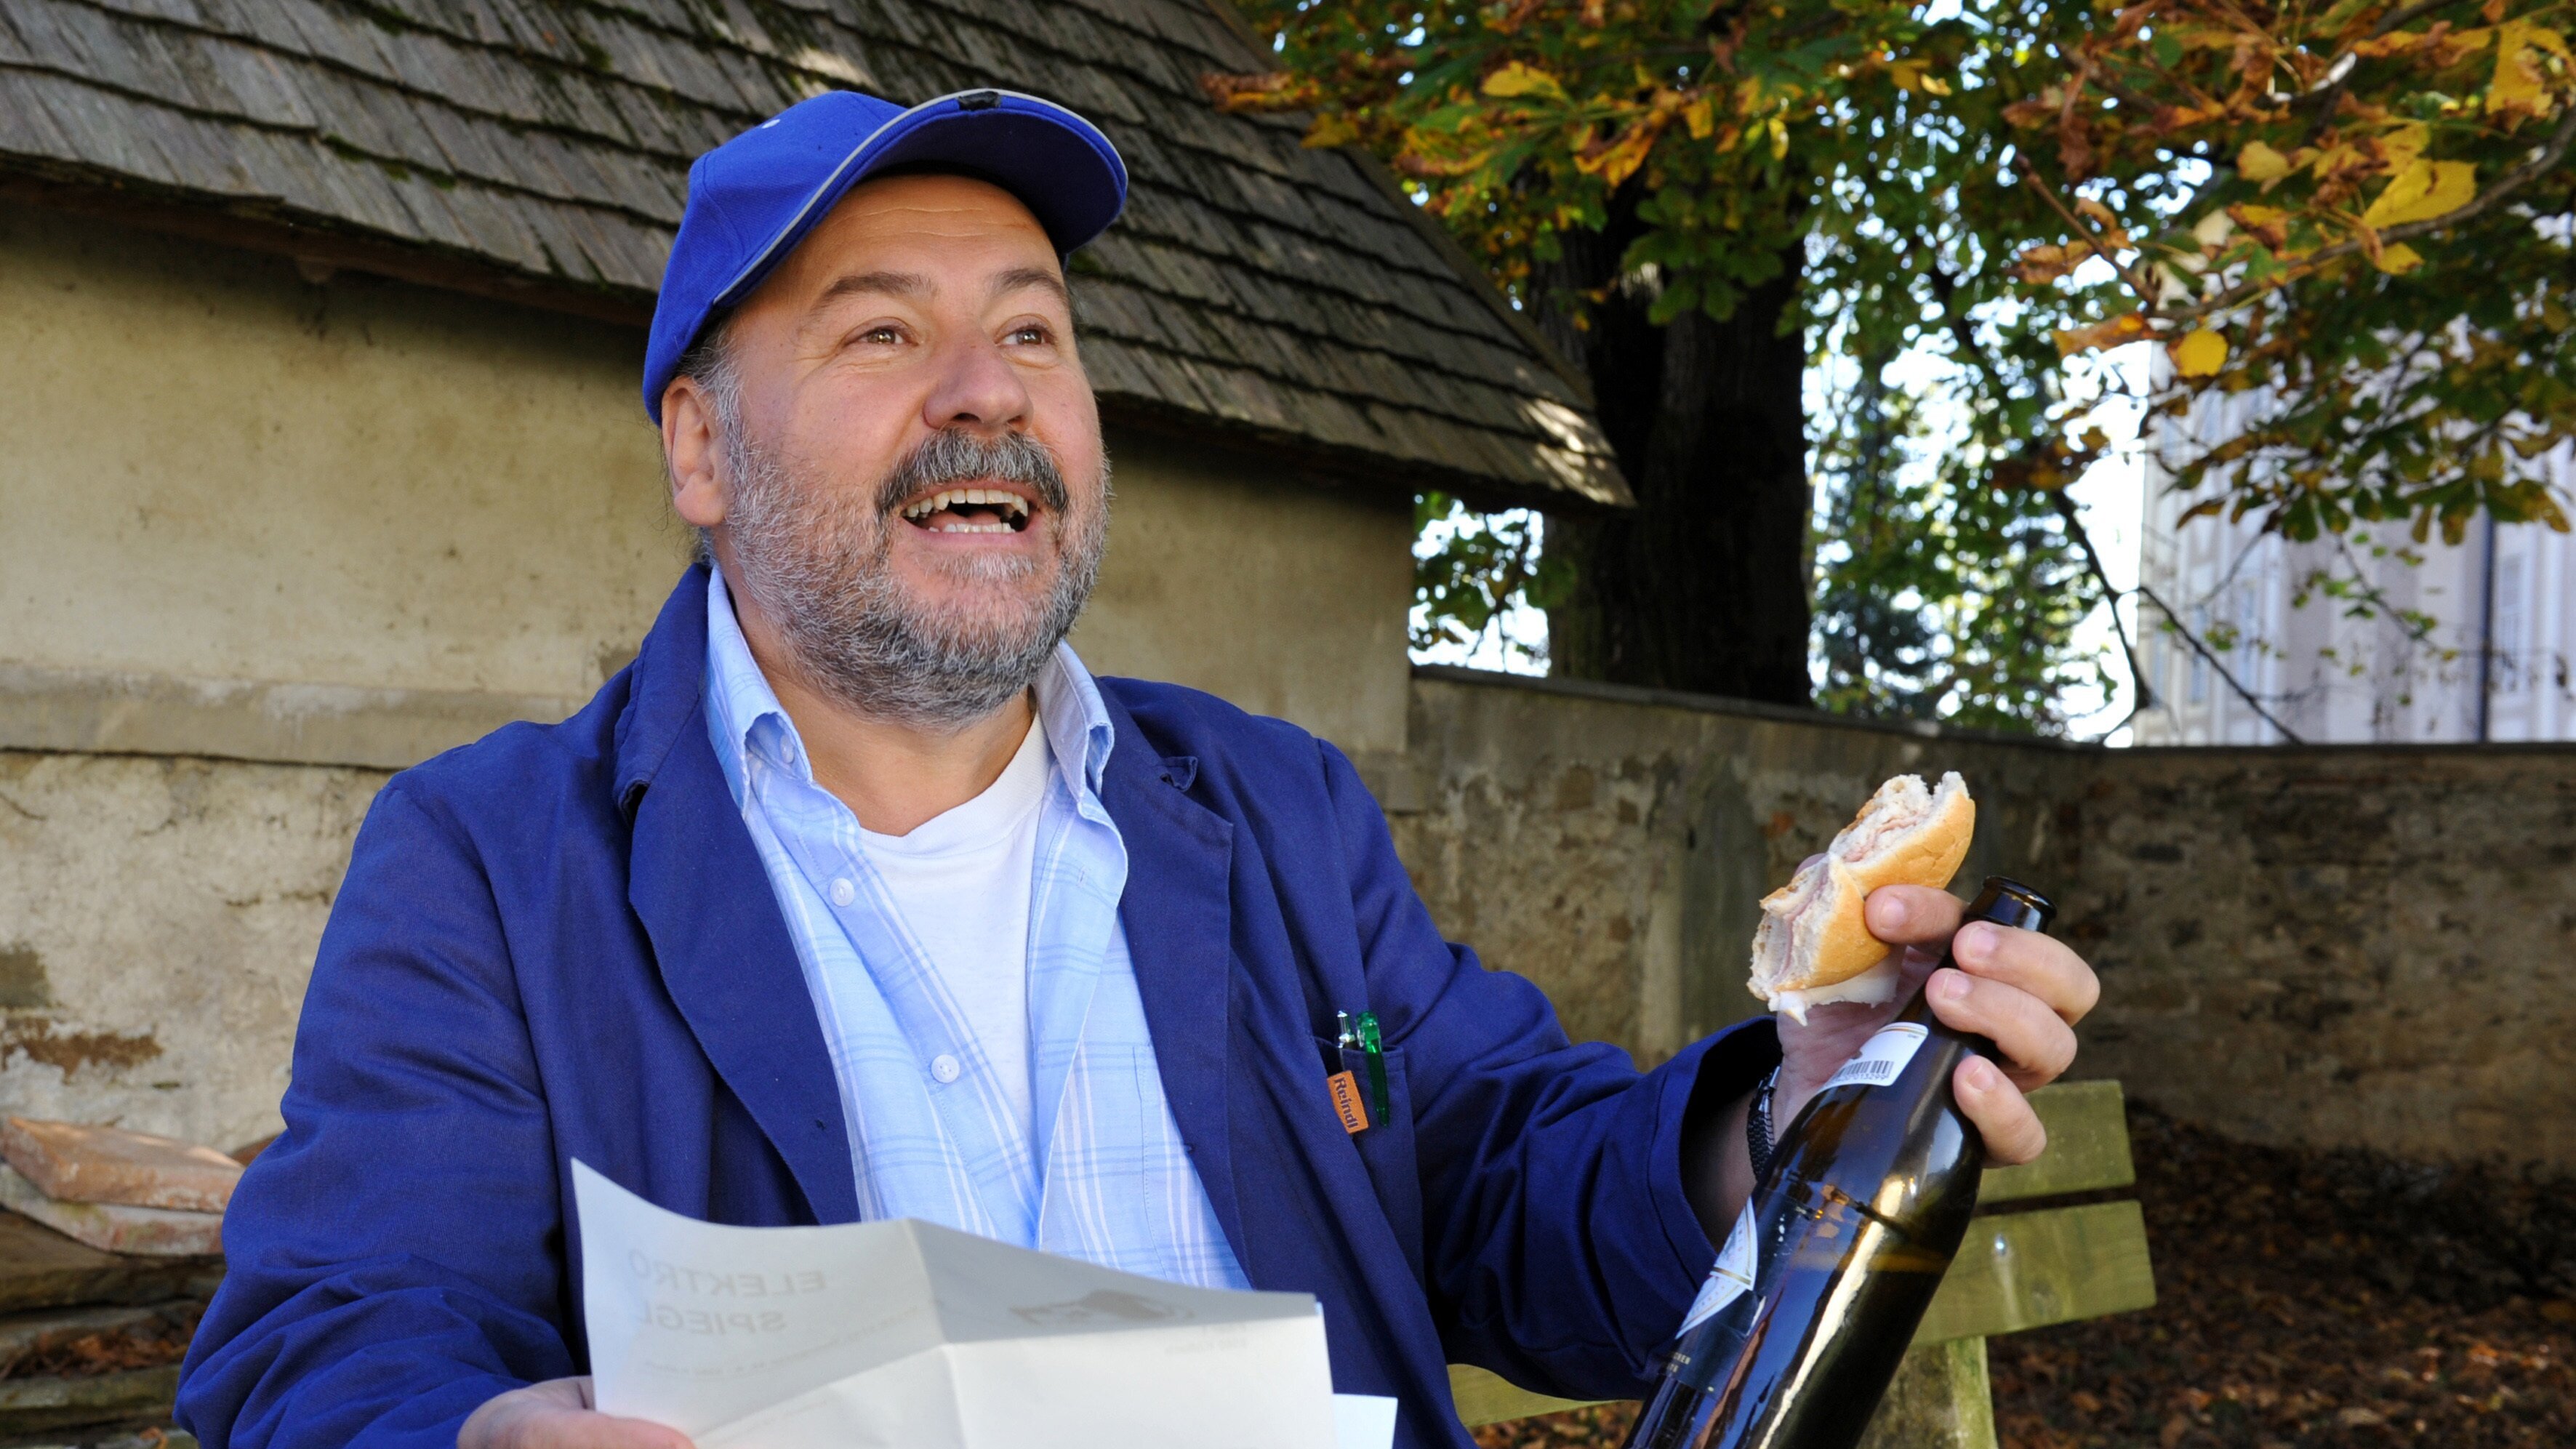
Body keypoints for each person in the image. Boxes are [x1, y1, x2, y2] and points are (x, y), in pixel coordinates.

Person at [174, 88, 2100, 1449]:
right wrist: (468, 1435)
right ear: (700, 446)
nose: (987, 390)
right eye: (882, 331)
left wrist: (1793, 1107)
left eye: (1033, 328)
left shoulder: (1269, 808)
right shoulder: (495, 859)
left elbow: (1500, 1183)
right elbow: (336, 1328)